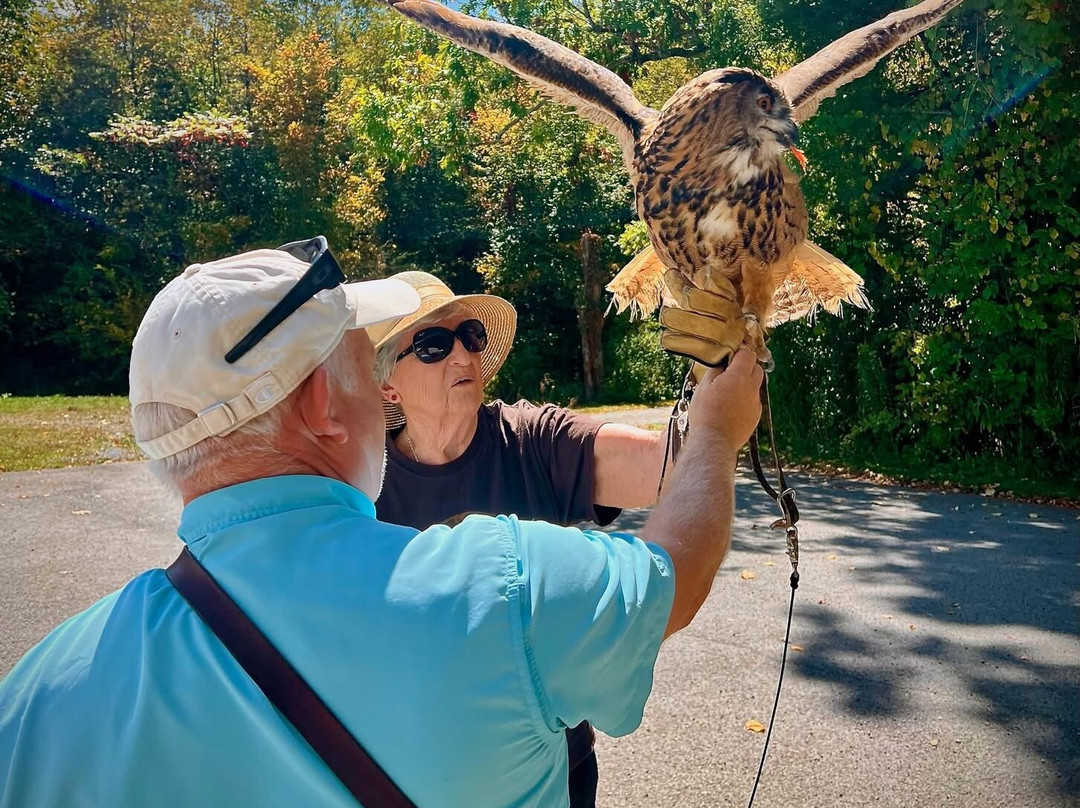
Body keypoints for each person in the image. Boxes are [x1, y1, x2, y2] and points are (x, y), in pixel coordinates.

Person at [0, 239, 762, 807]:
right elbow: (673, 574)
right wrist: (719, 432)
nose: (459, 355)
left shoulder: (31, 697)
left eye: (468, 337)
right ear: (324, 408)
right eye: (371, 366)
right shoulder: (501, 588)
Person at [369, 271, 748, 806]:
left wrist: (715, 380)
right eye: (433, 345)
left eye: (471, 336)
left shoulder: (531, 438)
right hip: (414, 775)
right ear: (387, 385)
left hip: (554, 769)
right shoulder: (361, 480)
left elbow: (662, 467)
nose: (462, 355)